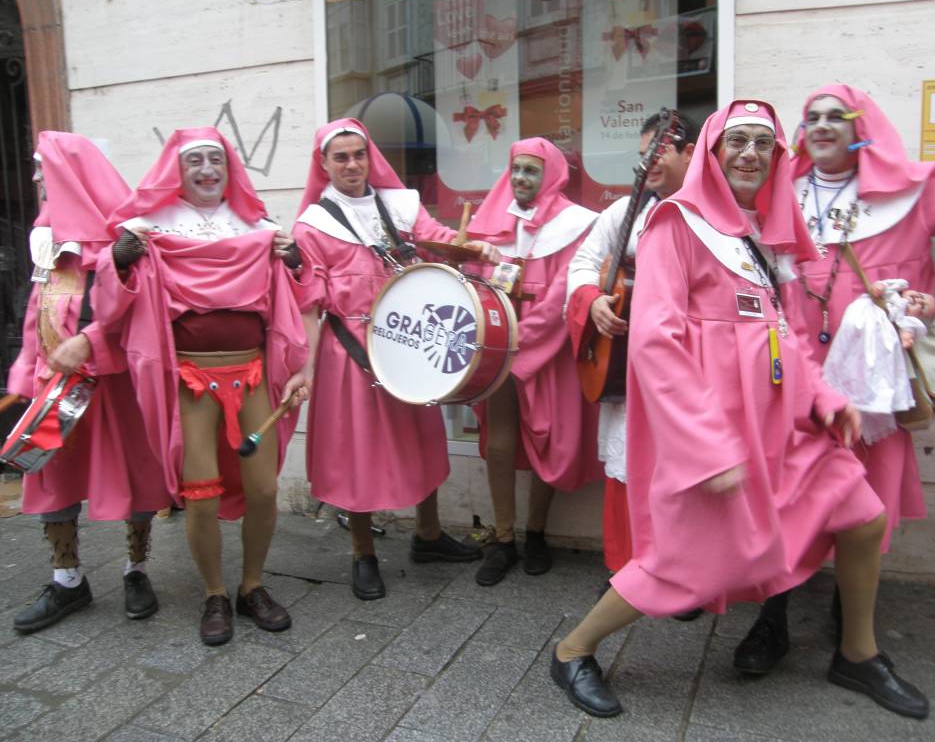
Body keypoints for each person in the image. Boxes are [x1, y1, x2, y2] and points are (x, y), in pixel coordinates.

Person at [548, 100, 929, 720]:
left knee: (861, 515)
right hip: (717, 432)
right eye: (737, 142)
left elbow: (784, 334)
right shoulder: (677, 224)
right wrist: (705, 446)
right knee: (681, 568)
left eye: (763, 144)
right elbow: (655, 343)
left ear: (778, 157)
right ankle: (572, 649)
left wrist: (825, 398)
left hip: (783, 430)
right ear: (714, 154)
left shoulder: (757, 234)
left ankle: (858, 653)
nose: (750, 153)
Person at [733, 83, 935, 676]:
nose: (820, 124)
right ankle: (773, 619)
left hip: (875, 387)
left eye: (836, 116)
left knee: (868, 498)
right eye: (811, 115)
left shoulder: (912, 196)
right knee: (785, 498)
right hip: (796, 381)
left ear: (861, 127)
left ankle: (850, 611)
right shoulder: (777, 196)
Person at [95, 127, 310, 646]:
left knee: (262, 489)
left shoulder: (258, 226)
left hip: (253, 373)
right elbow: (109, 305)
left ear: (230, 168)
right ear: (177, 169)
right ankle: (215, 592)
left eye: (217, 159)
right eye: (196, 161)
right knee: (201, 495)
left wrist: (294, 259)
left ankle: (252, 586)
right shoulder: (149, 231)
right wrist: (120, 259)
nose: (208, 169)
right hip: (191, 380)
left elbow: (298, 296)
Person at [290, 119, 499, 601]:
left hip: (406, 341)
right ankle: (363, 552)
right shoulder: (312, 226)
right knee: (356, 453)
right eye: (340, 157)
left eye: (358, 154)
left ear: (370, 157)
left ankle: (427, 536)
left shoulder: (400, 206)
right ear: (323, 165)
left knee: (422, 438)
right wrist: (307, 367)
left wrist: (477, 245)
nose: (351, 164)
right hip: (350, 353)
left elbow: (439, 238)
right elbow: (309, 303)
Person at [9, 132, 167, 633]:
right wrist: (25, 370)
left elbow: (139, 311)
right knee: (50, 473)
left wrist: (91, 341)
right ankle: (67, 579)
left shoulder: (123, 241)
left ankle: (136, 570)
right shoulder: (47, 240)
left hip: (115, 388)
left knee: (137, 473)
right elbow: (38, 311)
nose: (36, 180)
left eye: (42, 169)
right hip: (54, 386)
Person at [566, 110, 697, 580]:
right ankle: (627, 570)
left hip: (690, 368)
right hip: (630, 365)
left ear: (689, 152)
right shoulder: (625, 212)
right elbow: (583, 262)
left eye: (658, 154)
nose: (647, 166)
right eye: (643, 157)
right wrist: (592, 300)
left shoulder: (713, 213)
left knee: (684, 473)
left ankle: (681, 572)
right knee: (629, 469)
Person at [464, 138, 601, 586]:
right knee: (500, 441)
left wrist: (525, 336)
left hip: (548, 345)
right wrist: (495, 334)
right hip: (498, 344)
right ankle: (504, 539)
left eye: (532, 171)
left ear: (552, 176)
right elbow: (478, 279)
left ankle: (537, 531)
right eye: (516, 169)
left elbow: (566, 289)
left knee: (548, 437)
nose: (522, 178)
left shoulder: (577, 224)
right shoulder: (493, 219)